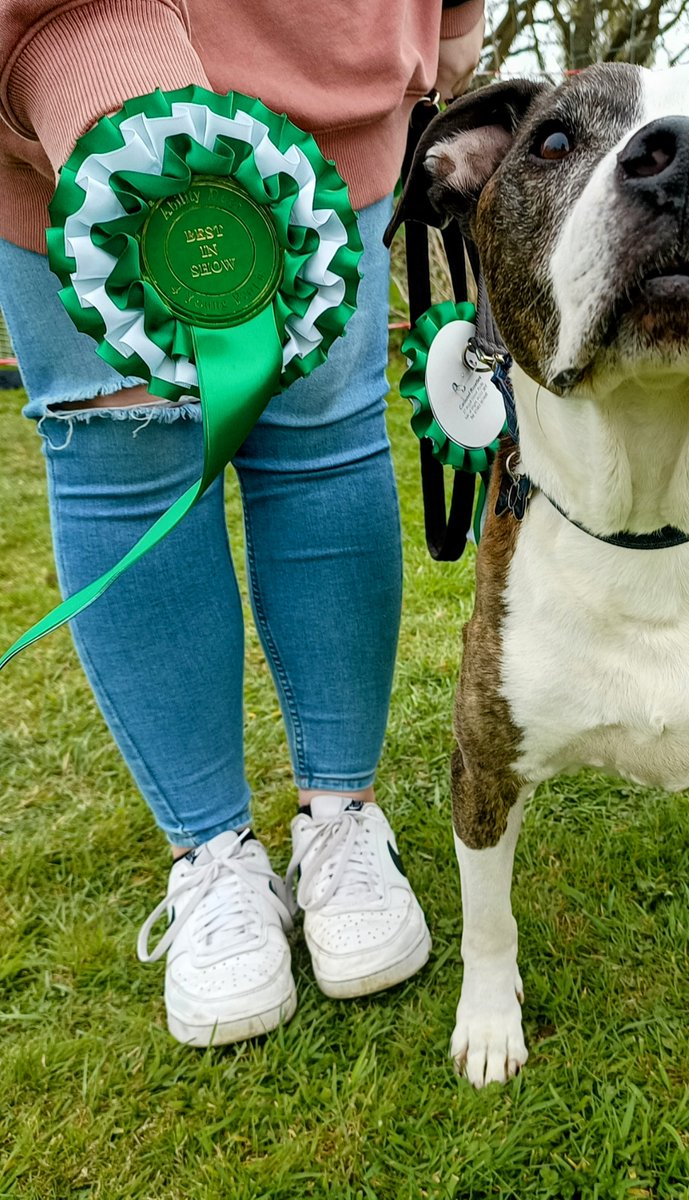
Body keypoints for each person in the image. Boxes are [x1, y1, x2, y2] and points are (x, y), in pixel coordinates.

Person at [0, 0, 484, 1047]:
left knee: (324, 442)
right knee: (124, 461)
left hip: (330, 75)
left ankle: (342, 819)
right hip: (67, 78)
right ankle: (212, 856)